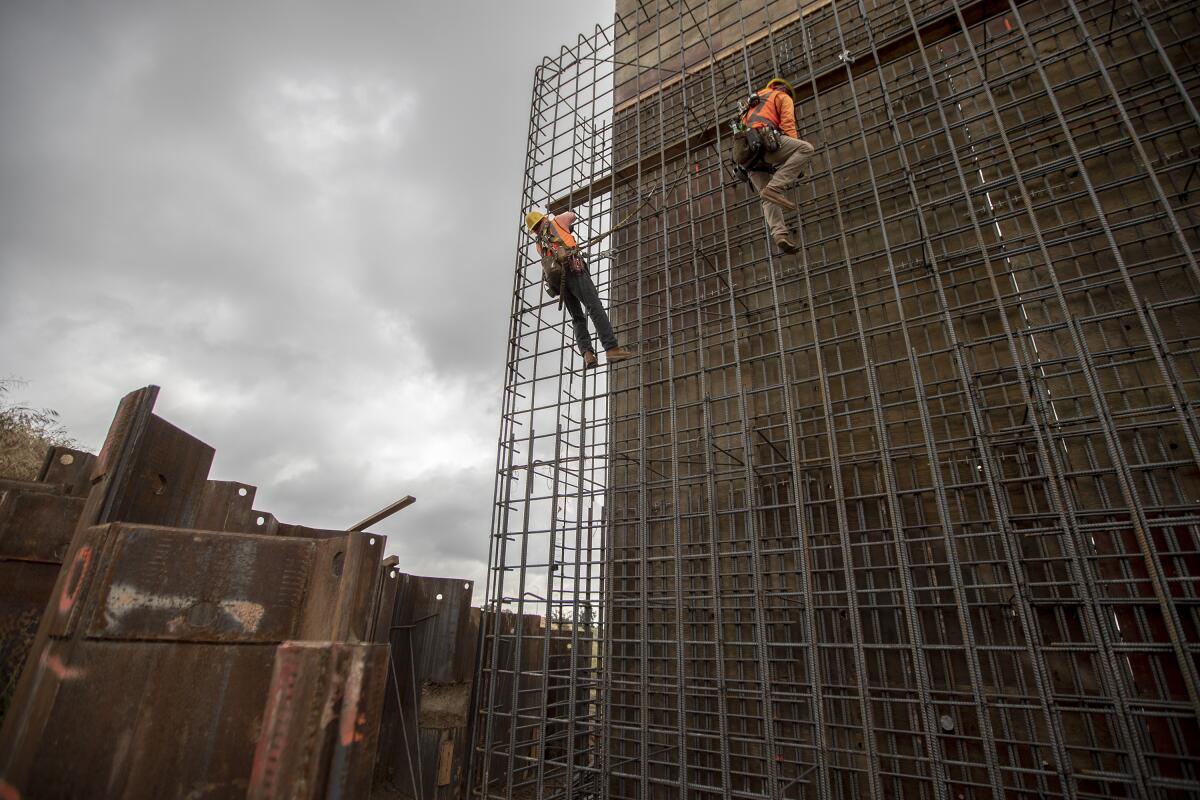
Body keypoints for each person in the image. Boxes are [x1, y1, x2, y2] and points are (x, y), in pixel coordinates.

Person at [524, 209, 634, 369]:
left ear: (533, 229)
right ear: (543, 218)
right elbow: (572, 215)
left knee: (577, 317)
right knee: (594, 306)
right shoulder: (557, 221)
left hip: (559, 282)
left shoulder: (538, 245)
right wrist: (566, 226)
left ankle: (587, 354)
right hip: (574, 270)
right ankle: (611, 348)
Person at [739, 77, 816, 254]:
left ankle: (780, 235)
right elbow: (788, 124)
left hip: (747, 157)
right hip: (765, 144)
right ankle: (775, 188)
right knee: (806, 149)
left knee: (767, 196)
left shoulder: (751, 103)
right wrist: (792, 158)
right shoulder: (782, 97)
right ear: (785, 89)